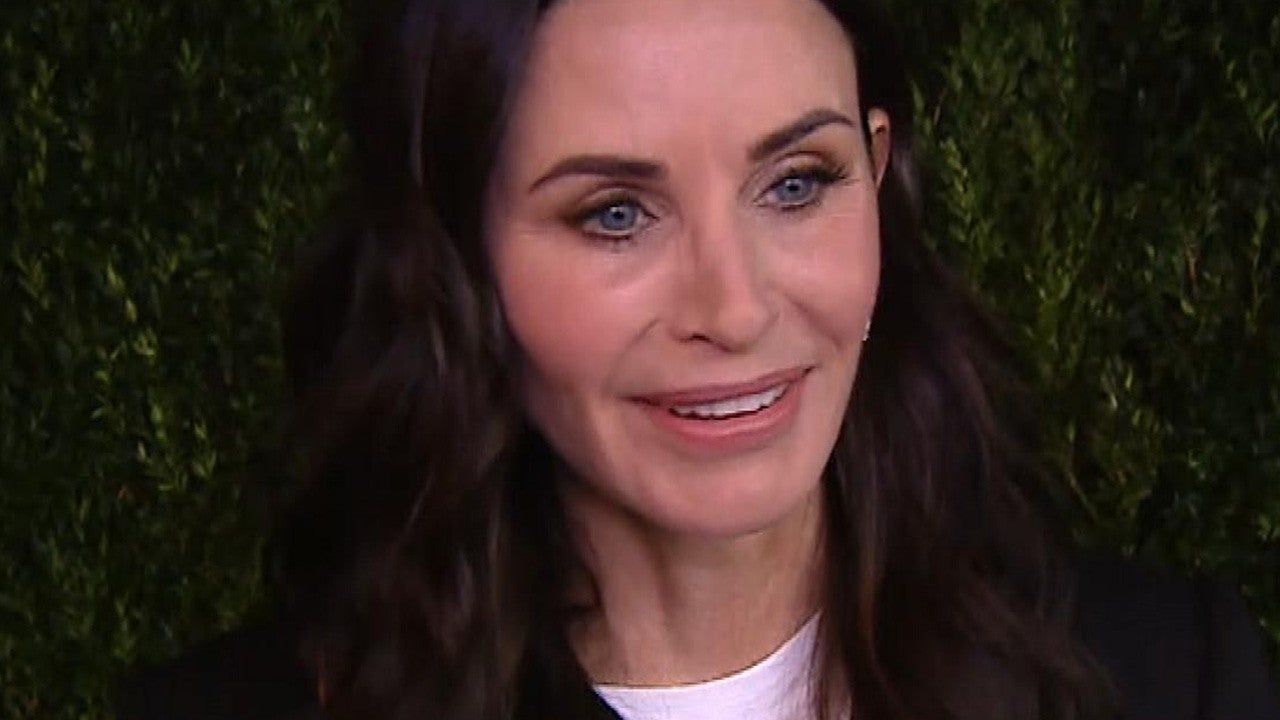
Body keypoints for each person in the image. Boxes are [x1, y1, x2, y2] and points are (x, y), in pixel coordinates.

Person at [119, 0, 1280, 718]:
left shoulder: (1165, 677)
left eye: (795, 184)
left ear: (877, 174)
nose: (731, 307)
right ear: (457, 255)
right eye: (615, 214)